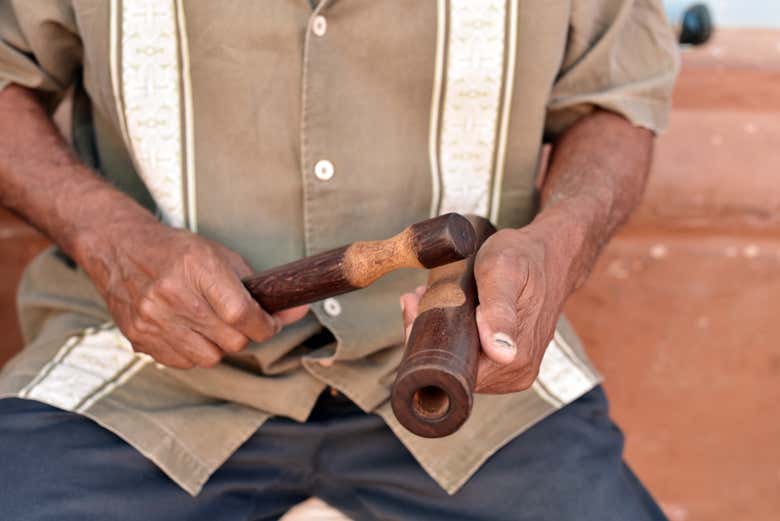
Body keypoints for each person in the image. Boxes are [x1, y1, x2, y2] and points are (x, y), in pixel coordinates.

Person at [0, 1, 679, 519]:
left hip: (470, 376)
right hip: (142, 375)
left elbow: (616, 98)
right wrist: (113, 240)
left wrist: (554, 249)